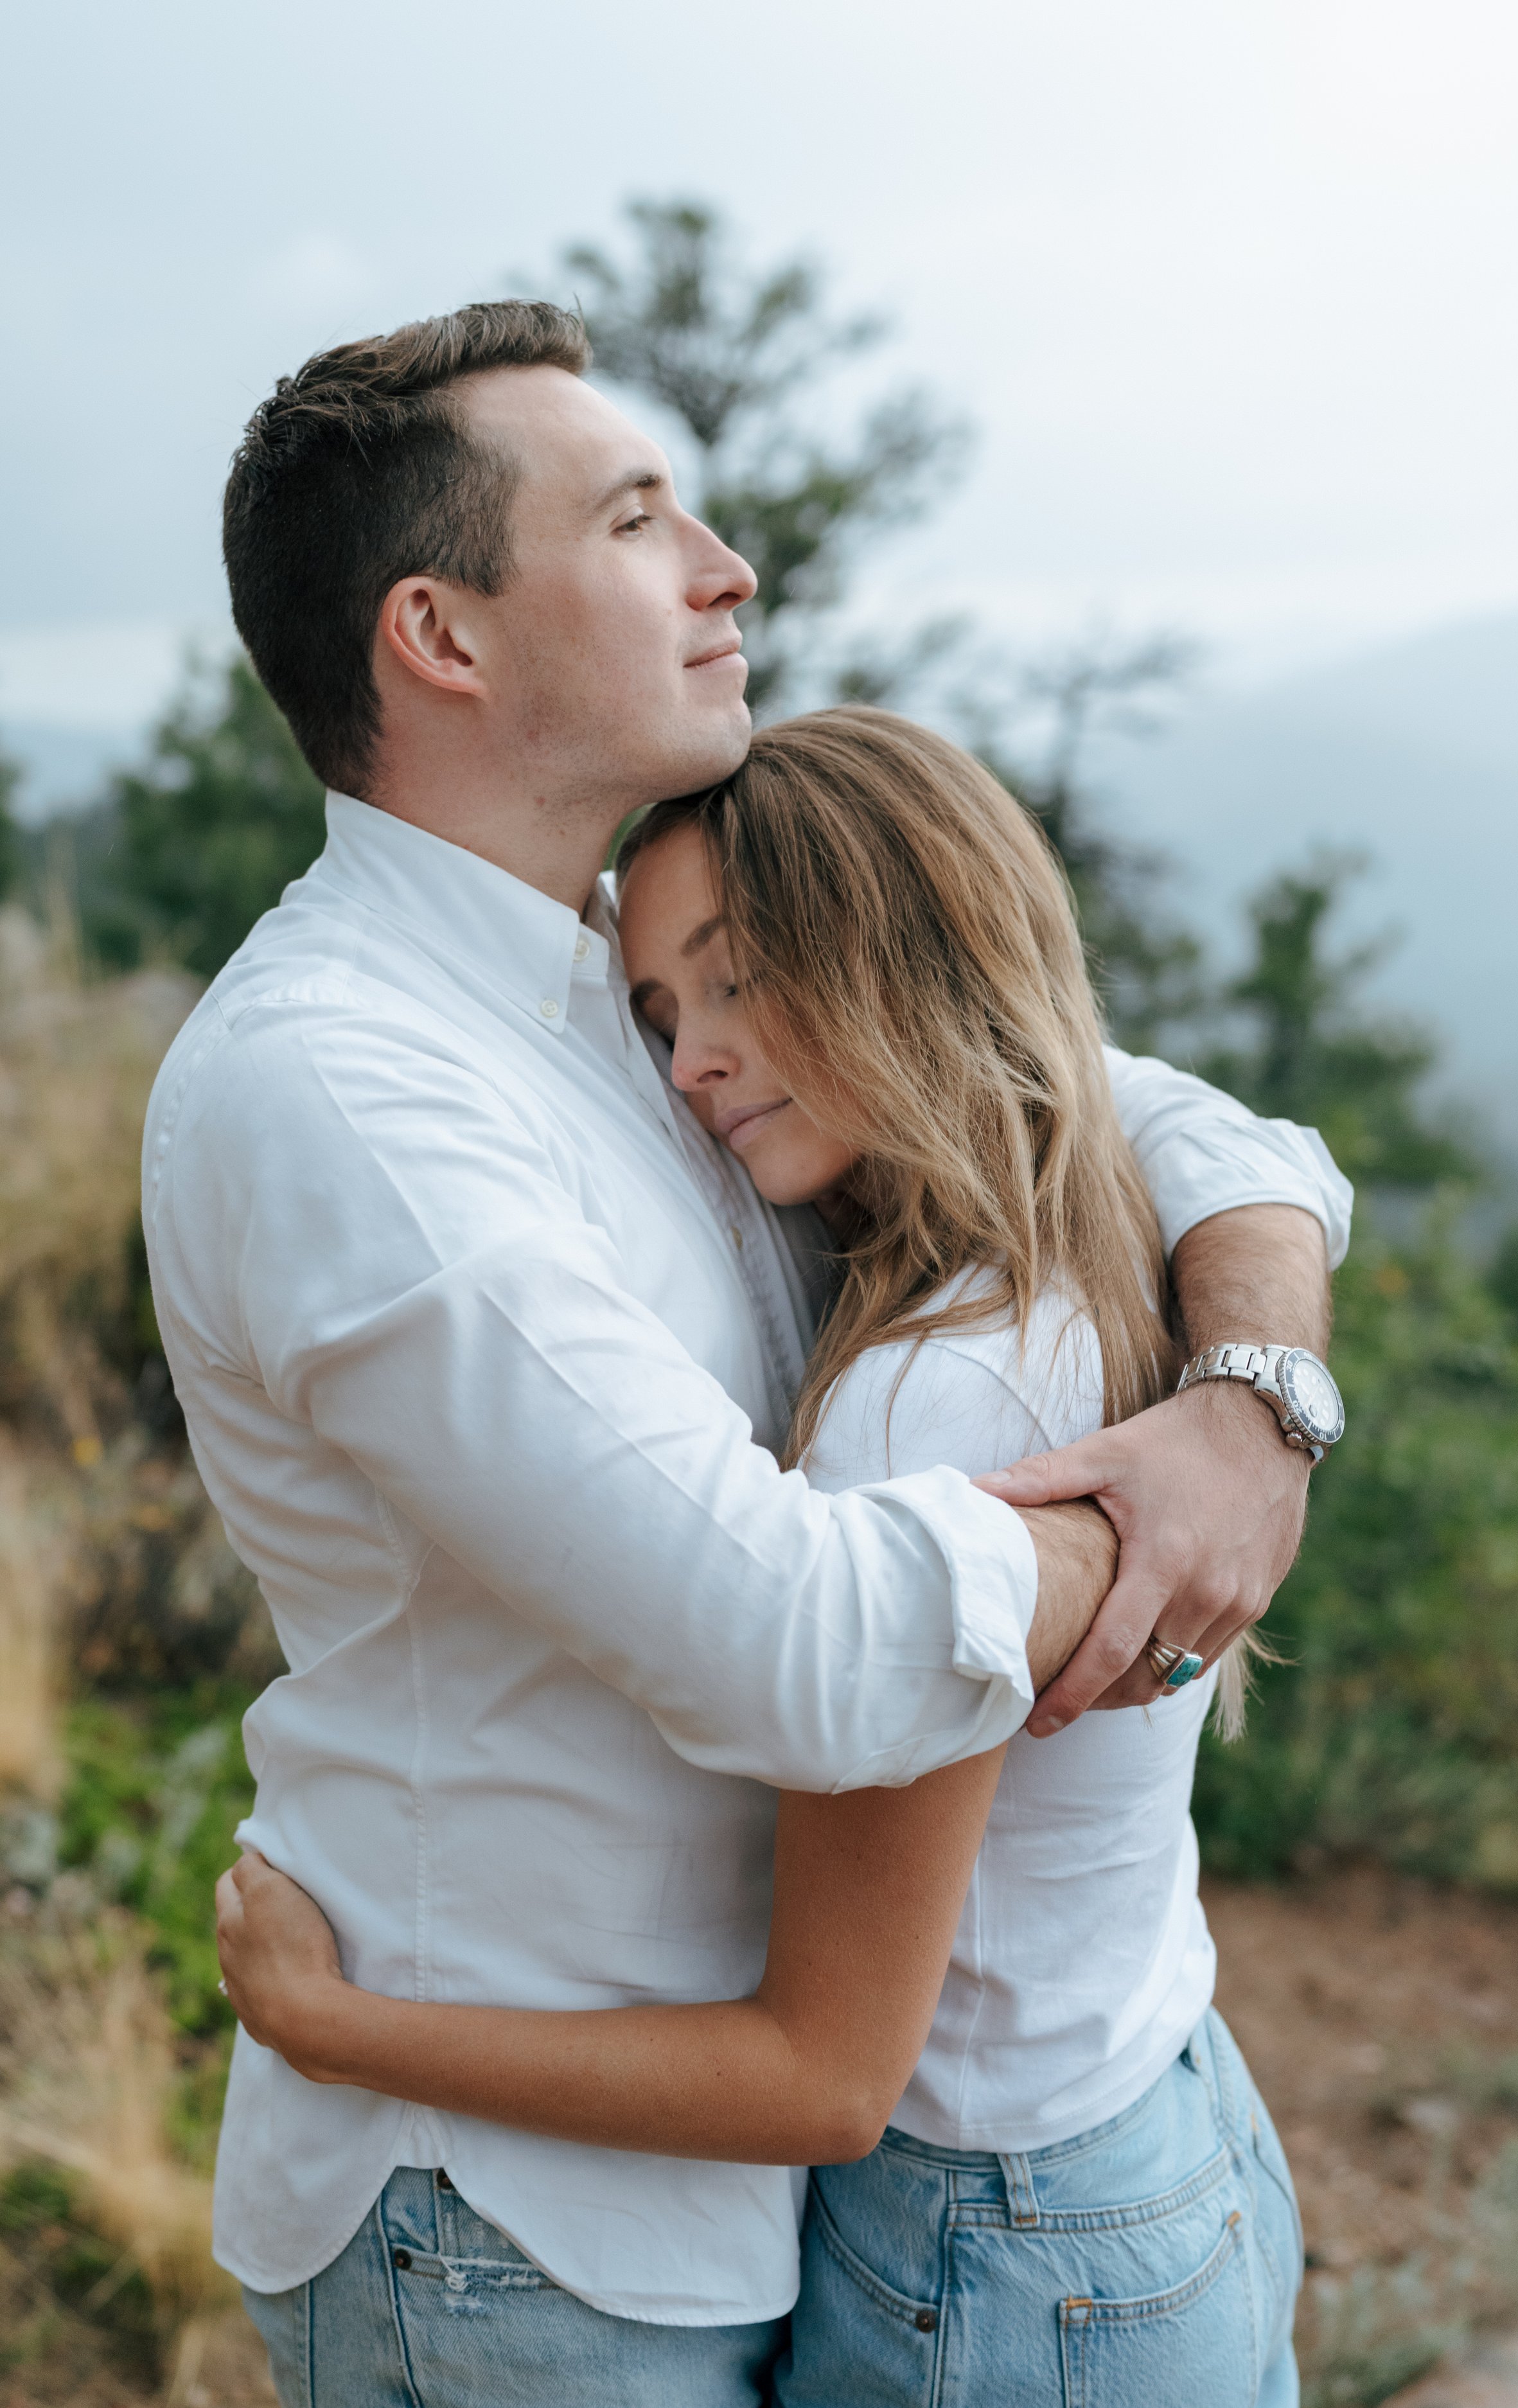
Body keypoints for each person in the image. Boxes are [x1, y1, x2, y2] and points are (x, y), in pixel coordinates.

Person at [150, 299, 1348, 2404]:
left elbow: (1115, 1107)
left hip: (742, 2161)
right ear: (442, 635)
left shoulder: (623, 969)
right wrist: (1132, 1525)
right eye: (635, 518)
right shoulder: (351, 1089)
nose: (729, 567)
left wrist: (1250, 1402)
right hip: (509, 2218)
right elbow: (787, 1643)